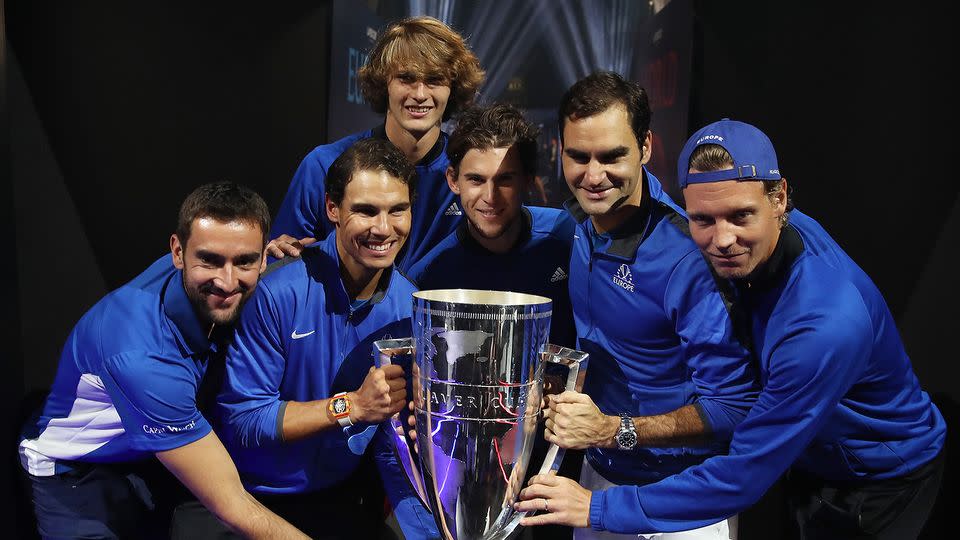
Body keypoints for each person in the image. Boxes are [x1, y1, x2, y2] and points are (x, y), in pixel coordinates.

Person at [517, 119, 947, 539]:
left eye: (740, 216)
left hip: (879, 479)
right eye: (703, 219)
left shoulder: (823, 324)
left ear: (779, 200)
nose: (722, 239)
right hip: (810, 460)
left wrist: (597, 507)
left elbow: (743, 476)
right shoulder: (761, 242)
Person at [524, 72, 758, 540]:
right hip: (598, 487)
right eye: (579, 156)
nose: (593, 176)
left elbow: (735, 406)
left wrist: (613, 429)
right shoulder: (581, 225)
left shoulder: (685, 259)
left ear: (645, 148)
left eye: (612, 156)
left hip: (679, 504)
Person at [18, 182, 308, 539]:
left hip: (147, 455)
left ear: (264, 257)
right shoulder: (142, 356)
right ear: (178, 252)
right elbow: (233, 506)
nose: (228, 281)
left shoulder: (209, 266)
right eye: (211, 260)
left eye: (244, 261)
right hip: (75, 470)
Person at [213, 138, 438, 539]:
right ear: (333, 209)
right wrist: (351, 406)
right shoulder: (278, 291)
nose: (383, 228)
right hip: (254, 502)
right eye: (366, 211)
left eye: (397, 210)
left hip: (347, 500)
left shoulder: (411, 305)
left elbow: (395, 440)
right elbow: (243, 419)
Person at [268, 16, 484, 272]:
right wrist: (285, 257)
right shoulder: (324, 164)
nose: (420, 94)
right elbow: (283, 259)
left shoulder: (472, 174)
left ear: (453, 88)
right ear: (384, 84)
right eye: (406, 78)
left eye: (435, 80)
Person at [407, 102, 577, 348]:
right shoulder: (429, 277)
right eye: (476, 179)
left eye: (505, 179)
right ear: (453, 181)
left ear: (528, 180)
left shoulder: (569, 238)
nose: (490, 196)